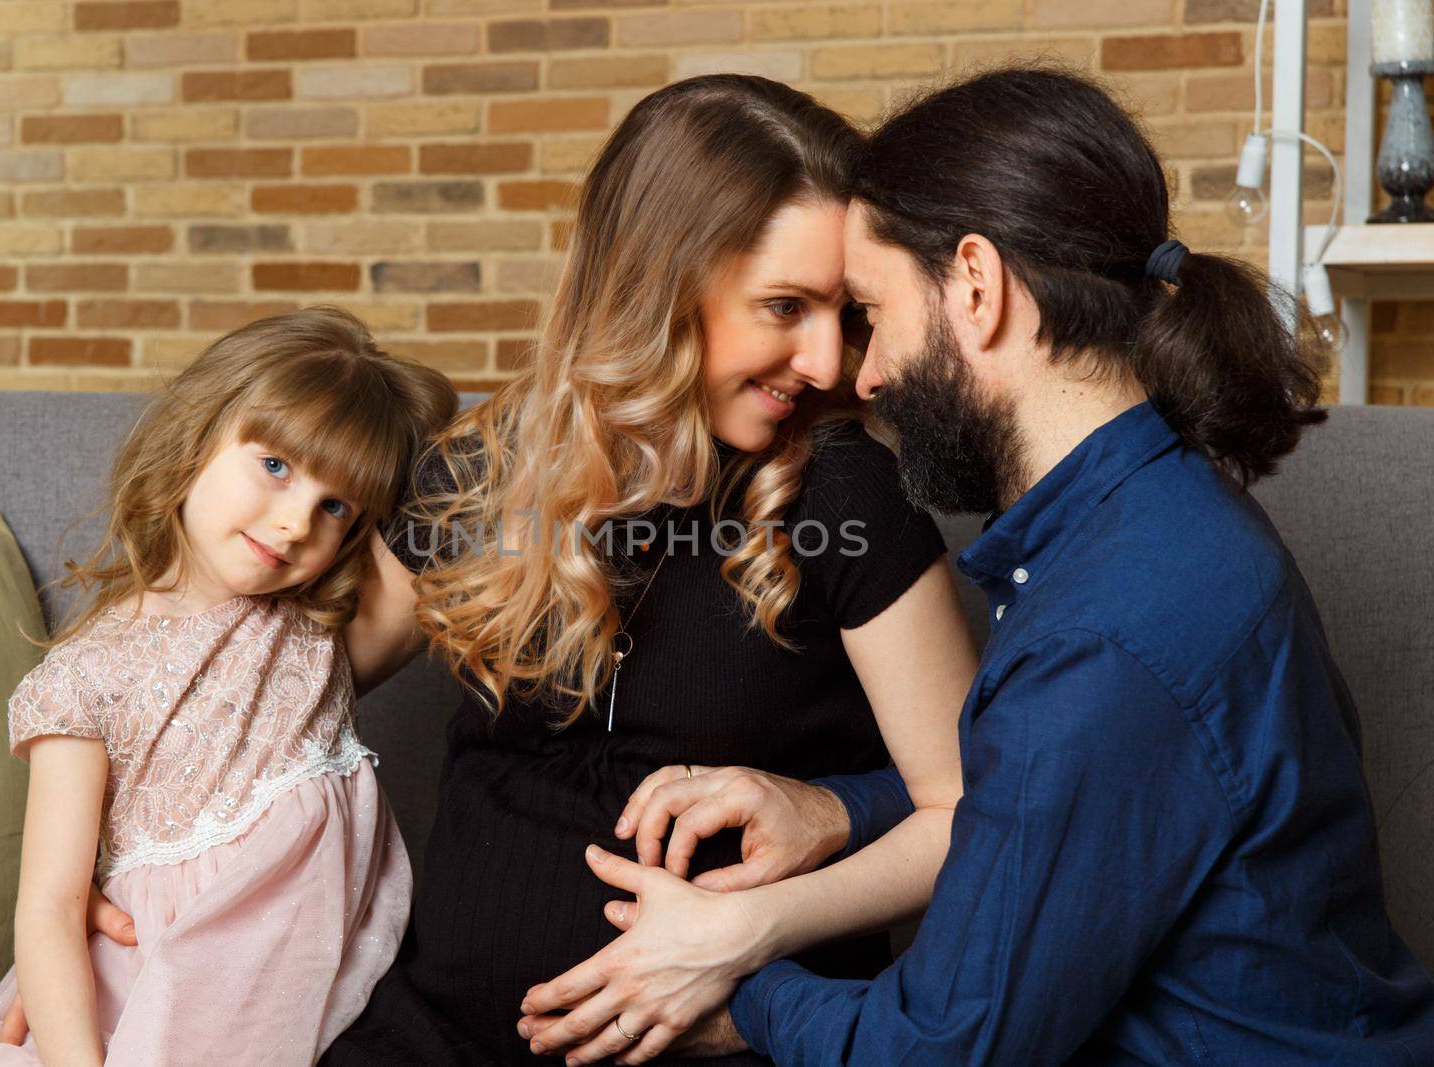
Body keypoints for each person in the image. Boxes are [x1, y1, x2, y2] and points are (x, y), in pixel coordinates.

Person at [513, 65, 1434, 1065]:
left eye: (873, 313)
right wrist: (835, 808)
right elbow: (1055, 796)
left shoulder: (1111, 629)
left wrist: (739, 980)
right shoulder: (1135, 525)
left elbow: (944, 1046)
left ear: (977, 286)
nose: (858, 375)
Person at [321, 74, 981, 1065]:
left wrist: (751, 929)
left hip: (728, 1038)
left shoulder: (846, 495)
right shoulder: (484, 472)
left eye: (841, 314)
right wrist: (95, 907)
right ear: (660, 283)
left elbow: (973, 810)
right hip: (438, 1036)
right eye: (784, 306)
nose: (826, 362)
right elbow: (271, 697)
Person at [0, 308, 456, 1066]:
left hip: (332, 1006)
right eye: (275, 466)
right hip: (155, 993)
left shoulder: (313, 637)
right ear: (199, 432)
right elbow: (50, 905)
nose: (294, 523)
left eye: (334, 505)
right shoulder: (87, 675)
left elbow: (485, 479)